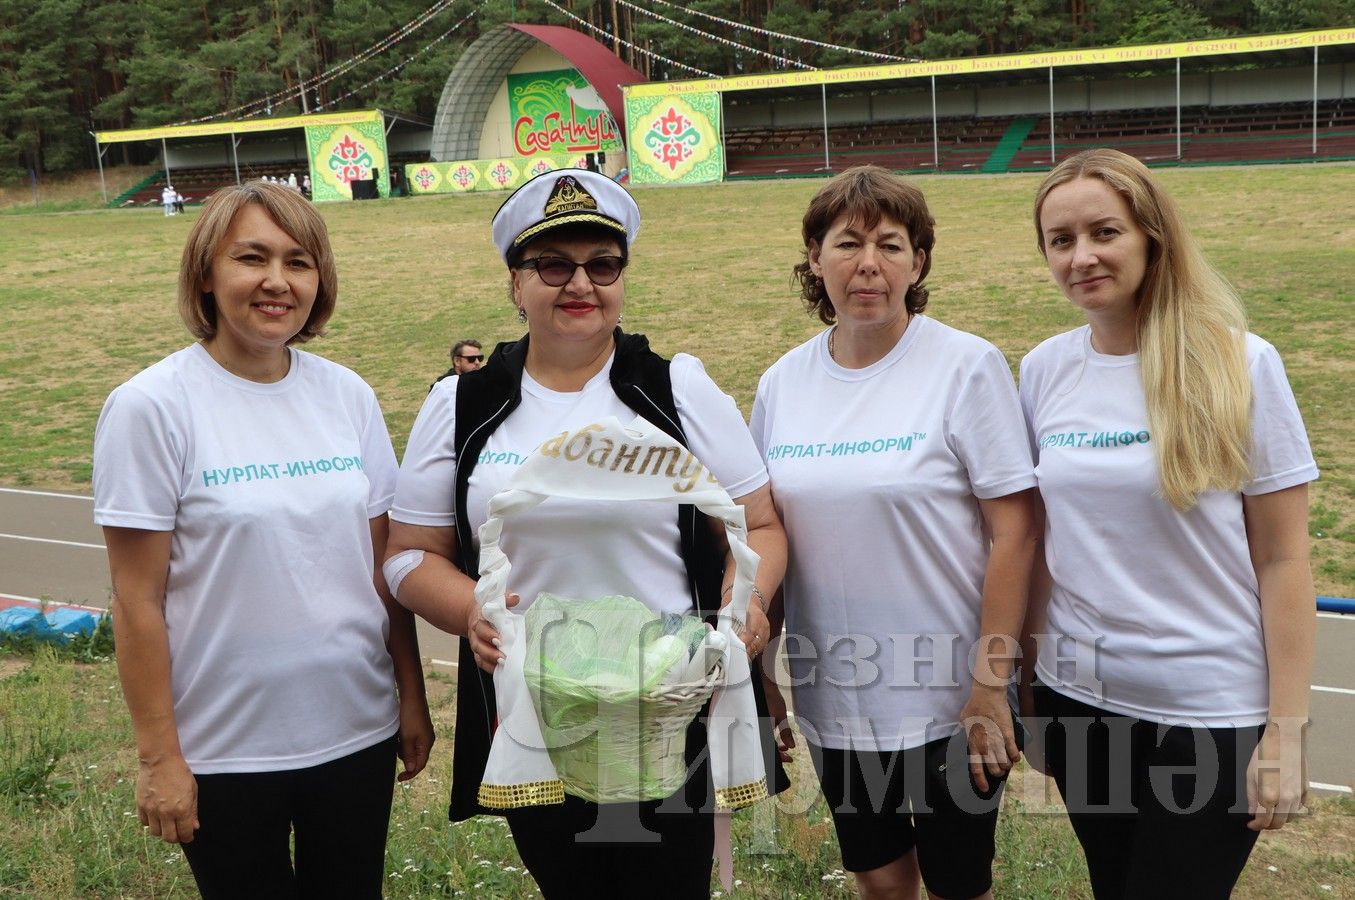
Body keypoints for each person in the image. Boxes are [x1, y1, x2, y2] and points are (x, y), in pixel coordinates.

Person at [383, 169, 788, 898]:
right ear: (515, 282)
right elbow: (409, 554)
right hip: (535, 706)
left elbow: (757, 524)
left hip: (669, 706)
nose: (581, 284)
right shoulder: (462, 402)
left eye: (603, 264)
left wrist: (747, 604)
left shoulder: (673, 388)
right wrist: (471, 609)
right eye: (553, 264)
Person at [92, 181, 434, 898]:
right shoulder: (150, 408)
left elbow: (380, 566)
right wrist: (160, 758)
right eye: (251, 258)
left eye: (299, 261)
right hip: (224, 751)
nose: (277, 281)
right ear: (206, 275)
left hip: (355, 732)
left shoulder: (348, 396)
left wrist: (410, 695)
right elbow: (135, 601)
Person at [1020, 148, 1317, 898]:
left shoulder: (1239, 364)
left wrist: (1283, 732)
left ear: (1152, 235)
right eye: (1061, 241)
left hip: (1207, 715)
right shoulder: (1042, 370)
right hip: (1079, 704)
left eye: (1103, 232)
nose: (1081, 256)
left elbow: (1283, 559)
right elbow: (1037, 546)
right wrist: (1025, 687)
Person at [751, 165, 1036, 900]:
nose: (868, 264)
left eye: (890, 244)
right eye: (847, 243)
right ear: (815, 258)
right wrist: (761, 675)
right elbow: (768, 533)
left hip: (948, 697)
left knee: (956, 884)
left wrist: (988, 686)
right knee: (879, 880)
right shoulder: (782, 383)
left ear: (919, 260)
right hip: (834, 691)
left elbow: (1016, 534)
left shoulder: (965, 366)